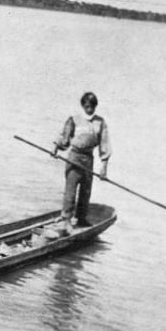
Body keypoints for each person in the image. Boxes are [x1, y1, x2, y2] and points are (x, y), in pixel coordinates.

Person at [52, 92, 111, 230]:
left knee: (86, 191)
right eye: (87, 106)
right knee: (71, 190)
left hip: (88, 160)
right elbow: (64, 137)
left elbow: (105, 145)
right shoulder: (74, 119)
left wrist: (104, 168)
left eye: (92, 107)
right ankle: (66, 219)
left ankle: (81, 218)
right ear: (83, 105)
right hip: (74, 157)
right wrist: (55, 148)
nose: (90, 109)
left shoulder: (100, 122)